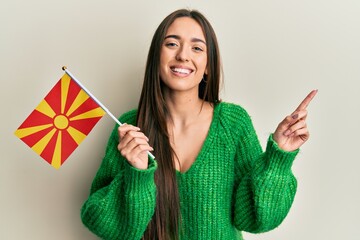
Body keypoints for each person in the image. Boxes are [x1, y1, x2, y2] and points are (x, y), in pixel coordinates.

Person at [80, 9, 317, 240]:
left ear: (208, 66)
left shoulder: (233, 123)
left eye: (196, 48)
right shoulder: (130, 127)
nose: (183, 55)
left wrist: (279, 157)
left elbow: (255, 218)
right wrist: (137, 174)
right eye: (172, 44)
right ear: (156, 57)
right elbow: (103, 224)